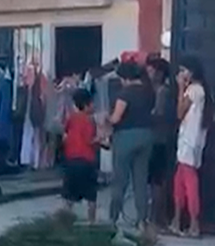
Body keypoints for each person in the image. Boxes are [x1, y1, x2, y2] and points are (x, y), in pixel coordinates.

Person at [106, 61, 155, 232]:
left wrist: (105, 118)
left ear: (125, 78)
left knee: (120, 180)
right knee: (140, 181)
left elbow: (116, 118)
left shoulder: (125, 93)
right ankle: (142, 221)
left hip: (126, 137)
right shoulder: (149, 92)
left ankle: (113, 218)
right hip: (147, 136)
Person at [172, 56, 211, 237]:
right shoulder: (202, 91)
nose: (181, 74)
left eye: (183, 70)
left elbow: (180, 112)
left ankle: (194, 225)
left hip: (188, 141)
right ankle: (177, 221)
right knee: (179, 183)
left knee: (189, 184)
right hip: (190, 142)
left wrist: (181, 88)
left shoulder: (194, 90)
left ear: (192, 72)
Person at [146, 56, 177, 230]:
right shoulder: (156, 89)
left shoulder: (162, 92)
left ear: (158, 73)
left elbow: (158, 114)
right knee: (154, 181)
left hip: (159, 140)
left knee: (157, 181)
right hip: (156, 139)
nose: (148, 73)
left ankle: (157, 218)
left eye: (150, 70)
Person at [61, 88, 100, 223]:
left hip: (71, 160)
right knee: (91, 196)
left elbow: (65, 137)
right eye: (92, 104)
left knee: (69, 196)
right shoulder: (89, 121)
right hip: (86, 161)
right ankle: (91, 223)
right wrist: (101, 140)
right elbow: (90, 140)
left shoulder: (71, 118)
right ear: (87, 104)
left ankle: (64, 222)